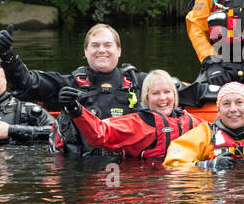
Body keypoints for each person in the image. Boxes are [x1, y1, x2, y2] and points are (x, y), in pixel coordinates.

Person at [0, 22, 146, 154]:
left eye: (108, 45)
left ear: (119, 50)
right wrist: (8, 56)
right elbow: (26, 83)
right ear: (86, 51)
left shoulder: (138, 82)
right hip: (80, 170)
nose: (101, 50)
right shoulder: (69, 83)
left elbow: (167, 95)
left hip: (128, 170)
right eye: (95, 45)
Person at [67, 69, 203, 161]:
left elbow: (216, 134)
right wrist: (75, 109)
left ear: (174, 95)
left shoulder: (192, 122)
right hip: (147, 184)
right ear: (146, 98)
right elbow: (100, 133)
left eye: (167, 92)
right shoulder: (137, 124)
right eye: (155, 93)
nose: (162, 98)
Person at [164, 82, 244, 170]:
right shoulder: (205, 134)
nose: (233, 109)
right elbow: (172, 164)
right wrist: (206, 165)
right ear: (218, 110)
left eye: (239, 102)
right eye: (226, 104)